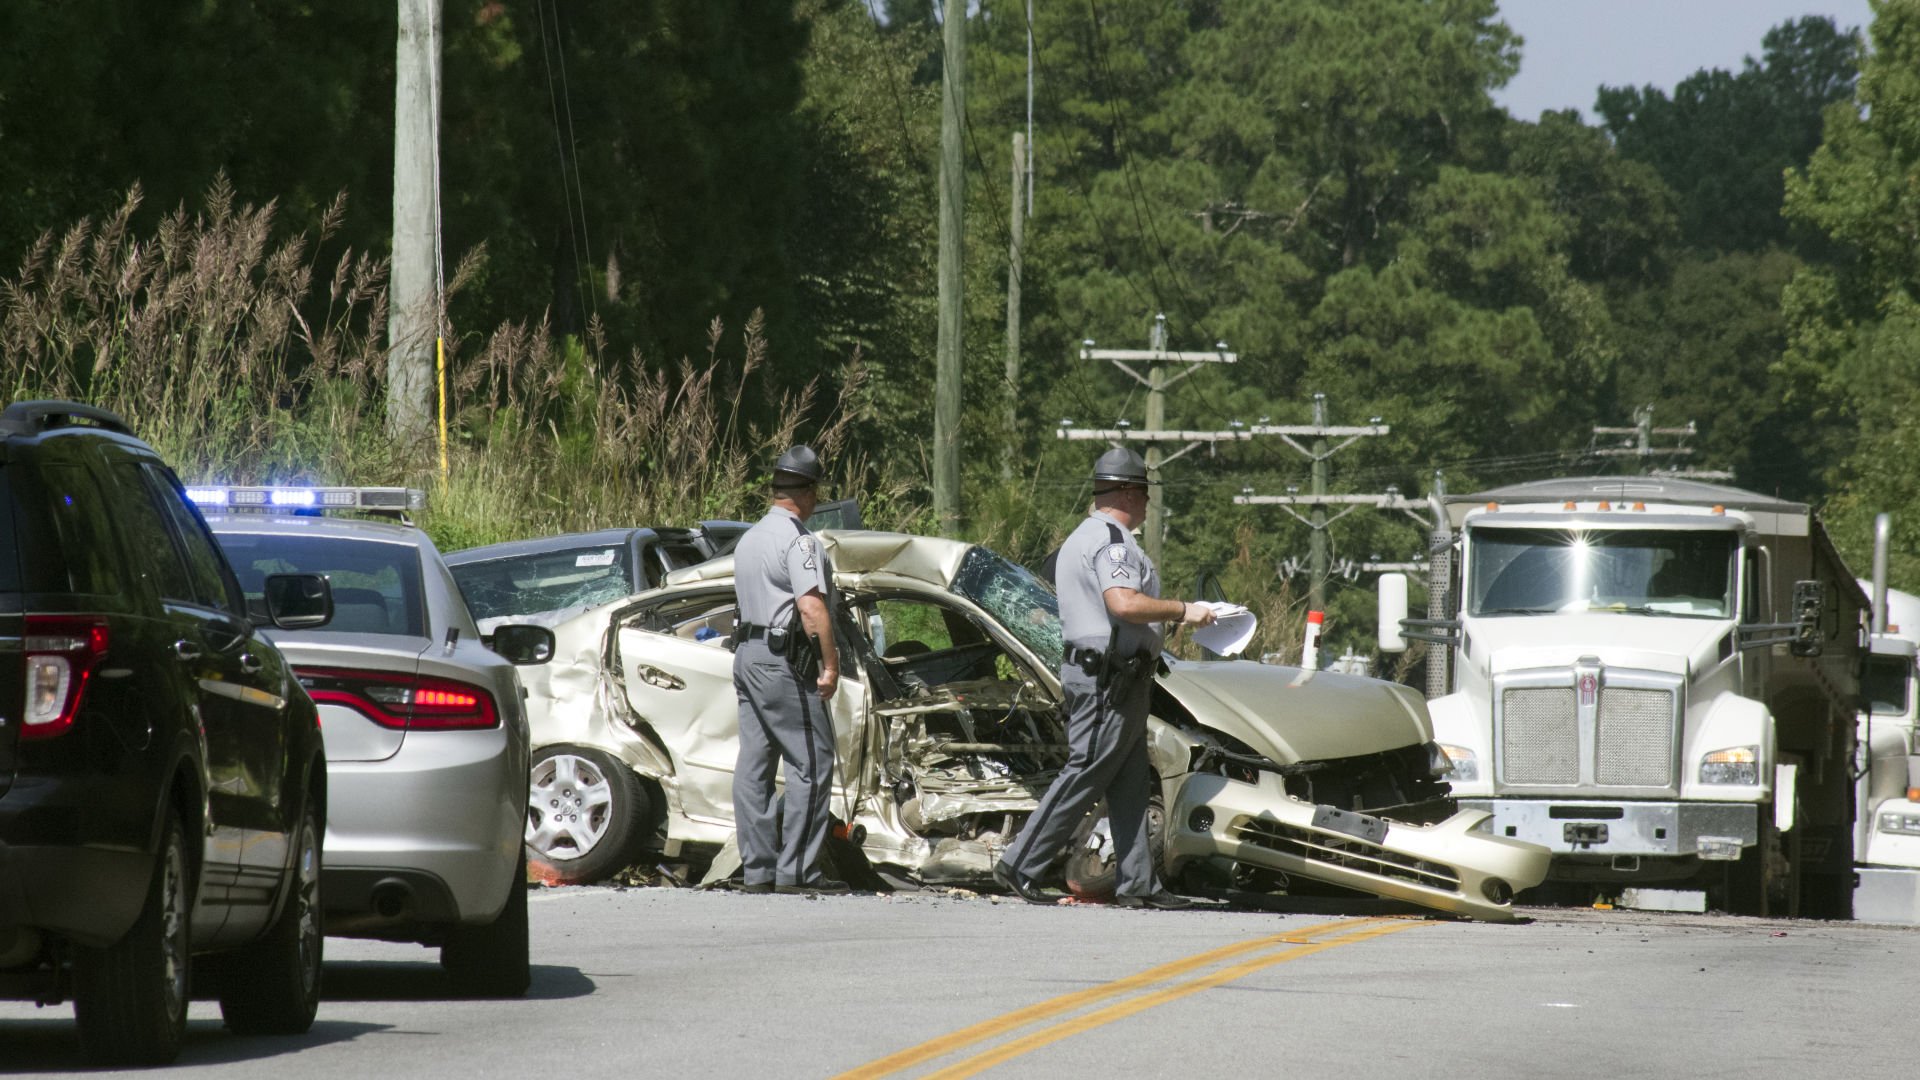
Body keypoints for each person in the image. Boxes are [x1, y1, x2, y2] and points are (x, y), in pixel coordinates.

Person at [994, 447, 1215, 909]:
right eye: (1146, 493)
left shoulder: (1086, 535)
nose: (1149, 503)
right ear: (1129, 492)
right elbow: (1124, 603)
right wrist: (1183, 611)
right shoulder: (1113, 542)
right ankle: (1020, 863)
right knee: (1087, 768)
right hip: (1107, 677)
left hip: (1116, 675)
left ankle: (1139, 883)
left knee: (1131, 780)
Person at [730, 444, 848, 895]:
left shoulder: (750, 538)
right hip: (781, 662)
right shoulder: (799, 541)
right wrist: (830, 666)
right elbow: (812, 608)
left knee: (755, 764)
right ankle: (796, 871)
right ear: (810, 491)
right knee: (813, 763)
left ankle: (758, 870)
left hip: (746, 656)